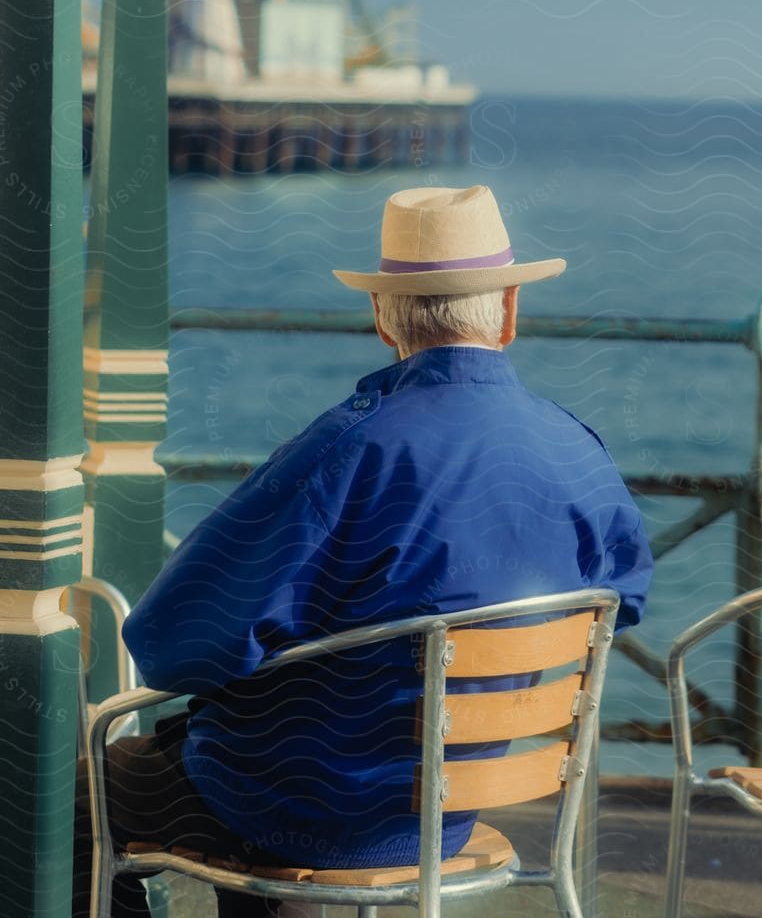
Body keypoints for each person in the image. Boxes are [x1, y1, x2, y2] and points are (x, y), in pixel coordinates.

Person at [76, 185, 653, 917]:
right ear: (508, 313)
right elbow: (621, 602)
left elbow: (167, 642)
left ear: (382, 317)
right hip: (449, 812)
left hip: (298, 806)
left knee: (72, 795)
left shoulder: (349, 448)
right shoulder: (577, 451)